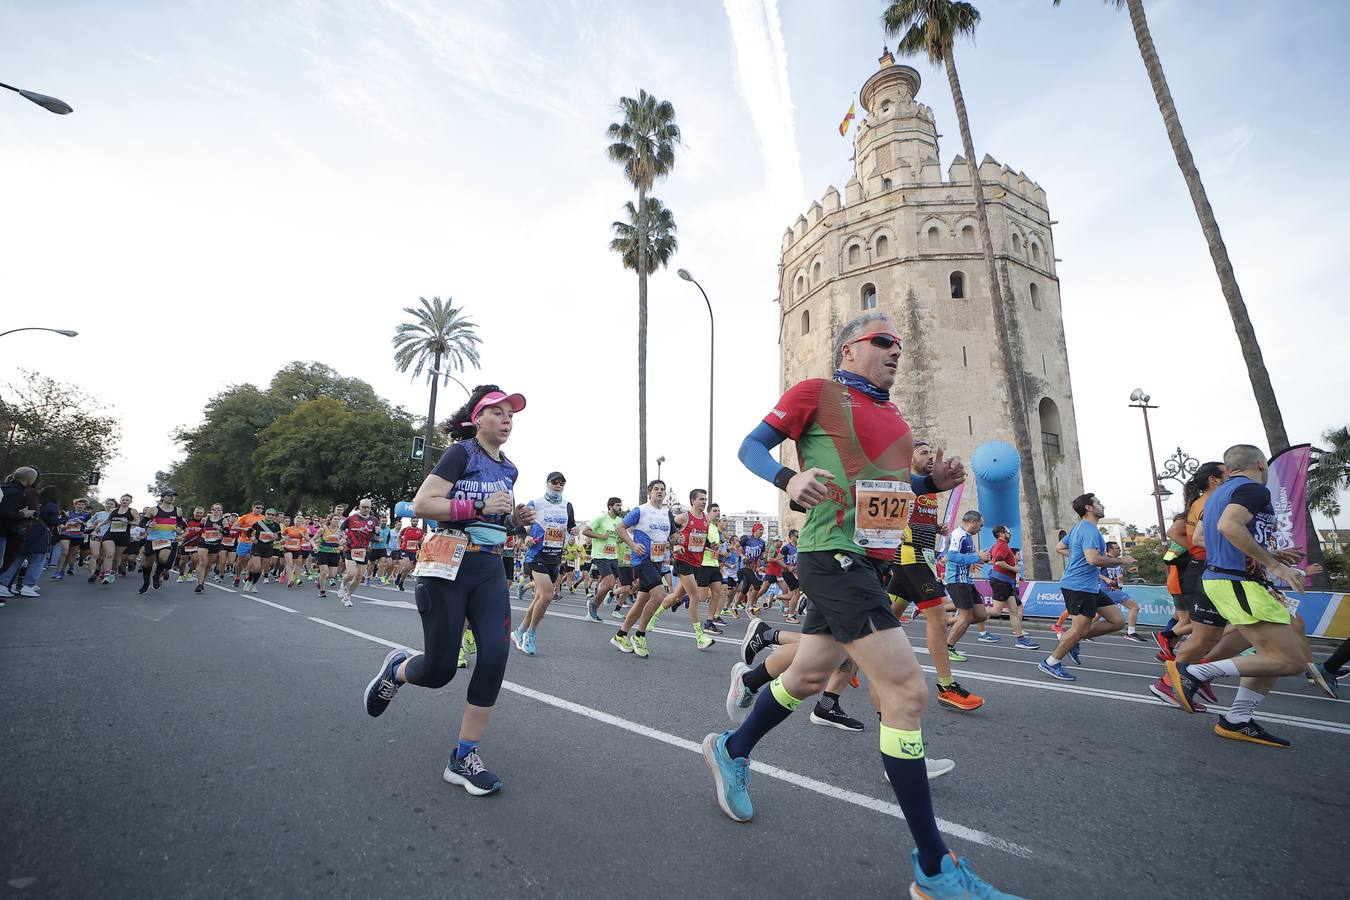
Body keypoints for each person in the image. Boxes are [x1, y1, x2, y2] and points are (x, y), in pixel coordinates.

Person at [702, 312, 1014, 898]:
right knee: (907, 692)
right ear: (850, 349)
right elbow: (751, 445)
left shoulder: (893, 415)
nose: (896, 351)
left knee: (811, 673)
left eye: (900, 345)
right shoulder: (817, 392)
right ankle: (933, 869)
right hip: (830, 553)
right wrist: (785, 480)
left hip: (871, 559)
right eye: (883, 343)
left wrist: (934, 484)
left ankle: (731, 747)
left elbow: (890, 490)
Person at [362, 385, 535, 795]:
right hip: (445, 564)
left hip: (488, 566)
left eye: (511, 414)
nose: (507, 419)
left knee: (495, 655)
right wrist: (476, 508)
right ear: (479, 419)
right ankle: (398, 670)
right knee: (439, 672)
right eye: (498, 412)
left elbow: (496, 520)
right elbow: (423, 504)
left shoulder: (509, 468)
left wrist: (516, 520)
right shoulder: (461, 453)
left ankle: (463, 757)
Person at [1163, 444, 1317, 747]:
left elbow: (1208, 536)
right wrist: (1274, 565)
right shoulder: (1253, 490)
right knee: (1292, 662)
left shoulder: (1218, 495)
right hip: (1240, 584)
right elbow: (1228, 526)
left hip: (1226, 581)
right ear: (1261, 463)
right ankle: (1193, 673)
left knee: (1269, 656)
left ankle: (1238, 719)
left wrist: (1268, 552)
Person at [1039, 494, 1133, 682]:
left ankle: (1071, 640)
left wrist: (1078, 556)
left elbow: (1059, 547)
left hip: (1090, 587)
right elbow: (1092, 559)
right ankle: (1051, 662)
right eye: (1098, 502)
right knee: (1078, 629)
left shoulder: (1080, 528)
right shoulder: (1088, 530)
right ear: (1089, 508)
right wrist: (1120, 560)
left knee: (1117, 622)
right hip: (1078, 586)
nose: (1102, 504)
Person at [513, 473, 575, 655]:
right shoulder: (536, 503)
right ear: (547, 484)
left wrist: (573, 534)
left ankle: (519, 631)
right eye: (554, 482)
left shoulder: (567, 506)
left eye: (561, 483)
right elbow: (518, 524)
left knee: (540, 597)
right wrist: (526, 538)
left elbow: (570, 527)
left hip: (555, 557)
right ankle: (530, 634)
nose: (558, 486)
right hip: (536, 555)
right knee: (548, 595)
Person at [611, 480, 672, 658]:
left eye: (662, 490)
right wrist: (632, 544)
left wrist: (677, 541)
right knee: (659, 596)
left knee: (641, 601)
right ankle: (640, 635)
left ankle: (620, 635)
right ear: (650, 493)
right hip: (641, 560)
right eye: (656, 489)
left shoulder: (666, 513)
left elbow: (672, 536)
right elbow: (620, 527)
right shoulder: (641, 510)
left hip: (657, 561)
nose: (659, 492)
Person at [942, 510, 990, 661]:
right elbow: (952, 556)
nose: (980, 529)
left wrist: (978, 560)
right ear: (972, 522)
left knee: (981, 615)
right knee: (966, 617)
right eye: (980, 526)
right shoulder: (958, 534)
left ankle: (944, 622)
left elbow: (966, 558)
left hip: (967, 580)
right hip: (957, 580)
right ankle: (947, 648)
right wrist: (977, 557)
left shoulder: (968, 537)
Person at [983, 524, 1037, 649]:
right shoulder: (1002, 546)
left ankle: (1020, 639)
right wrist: (1013, 568)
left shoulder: (996, 545)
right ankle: (971, 611)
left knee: (1014, 611)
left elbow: (988, 559)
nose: (1010, 533)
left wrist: (995, 564)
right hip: (1001, 582)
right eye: (1007, 531)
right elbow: (998, 561)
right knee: (996, 611)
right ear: (1001, 534)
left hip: (1005, 582)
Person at [1, 484, 59, 596]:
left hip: (25, 531)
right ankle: (28, 585)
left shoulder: (34, 501)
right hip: (40, 534)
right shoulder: (52, 506)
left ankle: (3, 583)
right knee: (38, 561)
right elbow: (53, 521)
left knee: (16, 559)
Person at [583, 497, 624, 622]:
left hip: (613, 556)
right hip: (600, 556)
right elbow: (585, 531)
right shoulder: (601, 518)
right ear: (610, 506)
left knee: (609, 584)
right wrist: (601, 536)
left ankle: (593, 603)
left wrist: (620, 539)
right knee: (610, 583)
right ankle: (593, 605)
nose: (620, 508)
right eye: (617, 505)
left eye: (620, 505)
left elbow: (620, 537)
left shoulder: (620, 521)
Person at [0, 467, 40, 591]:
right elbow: (4, 513)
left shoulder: (4, 487)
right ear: (30, 480)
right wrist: (23, 514)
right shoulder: (17, 493)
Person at [138, 490, 185, 594]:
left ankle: (156, 575)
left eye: (173, 496)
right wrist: (148, 525)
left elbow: (181, 522)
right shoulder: (153, 510)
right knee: (147, 564)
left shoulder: (178, 510)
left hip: (167, 539)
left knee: (163, 559)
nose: (172, 497)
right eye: (169, 496)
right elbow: (142, 522)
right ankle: (146, 584)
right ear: (163, 497)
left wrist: (179, 527)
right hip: (152, 539)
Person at [1101, 541, 1147, 642]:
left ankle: (1083, 632)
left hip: (1115, 589)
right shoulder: (1104, 560)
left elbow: (1118, 573)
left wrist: (1130, 571)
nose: (1120, 550)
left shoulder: (1117, 561)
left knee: (1098, 614)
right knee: (1134, 607)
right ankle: (1130, 632)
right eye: (1117, 548)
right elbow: (1093, 571)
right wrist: (1106, 579)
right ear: (1110, 549)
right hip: (1110, 590)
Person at [52, 498, 91, 580]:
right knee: (64, 551)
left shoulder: (87, 515)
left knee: (71, 554)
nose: (80, 506)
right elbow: (61, 522)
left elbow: (89, 526)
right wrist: (62, 525)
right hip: (66, 534)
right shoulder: (69, 513)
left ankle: (66, 569)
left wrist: (81, 522)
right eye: (78, 504)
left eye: (82, 504)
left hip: (77, 536)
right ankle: (58, 571)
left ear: (85, 506)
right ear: (75, 505)